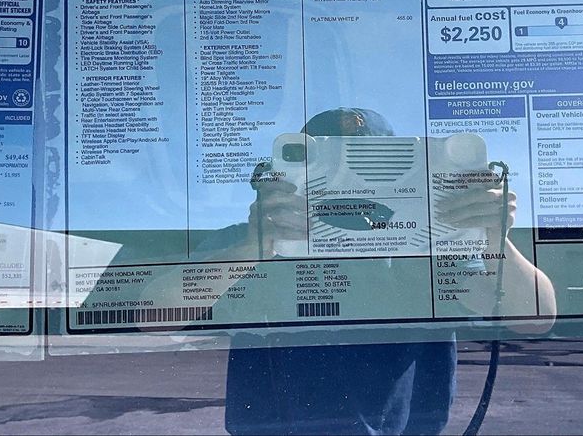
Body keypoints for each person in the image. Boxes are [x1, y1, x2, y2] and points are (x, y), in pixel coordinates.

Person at [204, 107, 555, 435]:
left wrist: (495, 239)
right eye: (327, 168)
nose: (352, 187)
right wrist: (252, 249)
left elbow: (533, 317)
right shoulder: (253, 242)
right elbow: (172, 307)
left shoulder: (429, 251)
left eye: (372, 168)